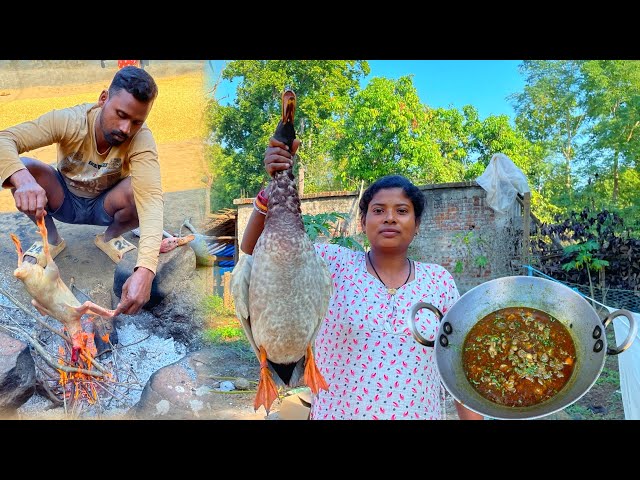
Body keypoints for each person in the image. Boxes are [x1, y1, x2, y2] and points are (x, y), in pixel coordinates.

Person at [240, 135, 484, 420]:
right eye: (378, 211)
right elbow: (254, 250)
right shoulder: (330, 263)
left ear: (416, 225)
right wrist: (275, 183)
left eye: (402, 211)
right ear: (362, 223)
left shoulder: (439, 281)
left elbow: (458, 365)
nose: (390, 218)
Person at [0, 66, 164, 316]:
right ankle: (51, 241)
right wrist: (23, 180)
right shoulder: (70, 120)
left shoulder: (141, 139)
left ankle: (109, 238)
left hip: (105, 205)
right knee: (24, 169)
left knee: (140, 188)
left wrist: (146, 270)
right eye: (120, 114)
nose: (125, 128)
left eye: (136, 122)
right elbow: (5, 139)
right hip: (63, 199)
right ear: (103, 99)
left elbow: (151, 200)